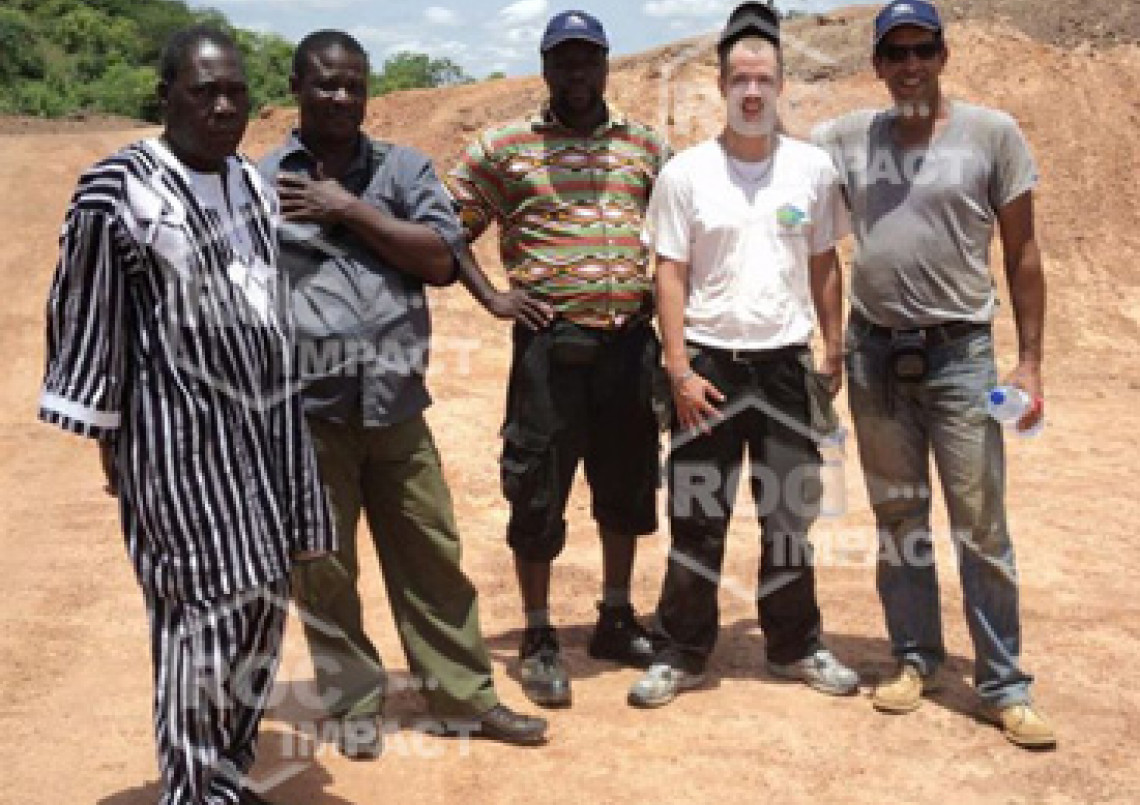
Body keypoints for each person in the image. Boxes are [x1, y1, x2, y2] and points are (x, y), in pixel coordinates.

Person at [38, 26, 333, 805]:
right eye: (205, 90)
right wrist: (110, 439)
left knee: (263, 606)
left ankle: (230, 770)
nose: (225, 104)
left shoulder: (251, 182)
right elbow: (88, 311)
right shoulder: (120, 186)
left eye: (235, 89)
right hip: (179, 443)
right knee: (201, 616)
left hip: (266, 436)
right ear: (165, 94)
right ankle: (196, 789)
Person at [258, 30, 547, 757]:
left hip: (396, 406)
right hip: (308, 414)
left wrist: (346, 209)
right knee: (324, 569)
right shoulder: (262, 181)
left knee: (432, 557)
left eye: (354, 83)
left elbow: (443, 259)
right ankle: (354, 703)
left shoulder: (404, 169)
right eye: (326, 83)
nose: (342, 97)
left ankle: (465, 696)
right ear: (296, 84)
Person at [812, 0, 1055, 748]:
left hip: (962, 356)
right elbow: (800, 218)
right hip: (873, 354)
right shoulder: (845, 138)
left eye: (924, 50)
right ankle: (914, 656)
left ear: (944, 56)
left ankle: (1002, 684)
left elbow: (1022, 253)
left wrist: (1030, 361)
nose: (911, 65)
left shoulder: (994, 134)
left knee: (980, 524)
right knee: (899, 518)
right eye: (897, 53)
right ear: (878, 65)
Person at [627, 2, 859, 708]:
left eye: (763, 79)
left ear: (781, 84)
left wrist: (833, 346)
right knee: (699, 514)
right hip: (710, 368)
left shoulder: (813, 170)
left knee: (789, 515)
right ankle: (681, 649)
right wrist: (678, 366)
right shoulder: (687, 174)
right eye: (739, 80)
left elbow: (825, 261)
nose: (751, 92)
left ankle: (795, 643)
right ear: (720, 87)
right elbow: (668, 271)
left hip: (787, 367)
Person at [447, 10, 670, 708]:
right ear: (545, 68)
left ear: (607, 65)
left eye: (588, 59)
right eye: (563, 61)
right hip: (551, 352)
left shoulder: (645, 145)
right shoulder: (503, 146)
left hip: (631, 346)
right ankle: (540, 635)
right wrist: (492, 297)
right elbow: (444, 226)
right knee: (537, 486)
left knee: (628, 484)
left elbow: (678, 233)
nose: (576, 73)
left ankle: (613, 615)